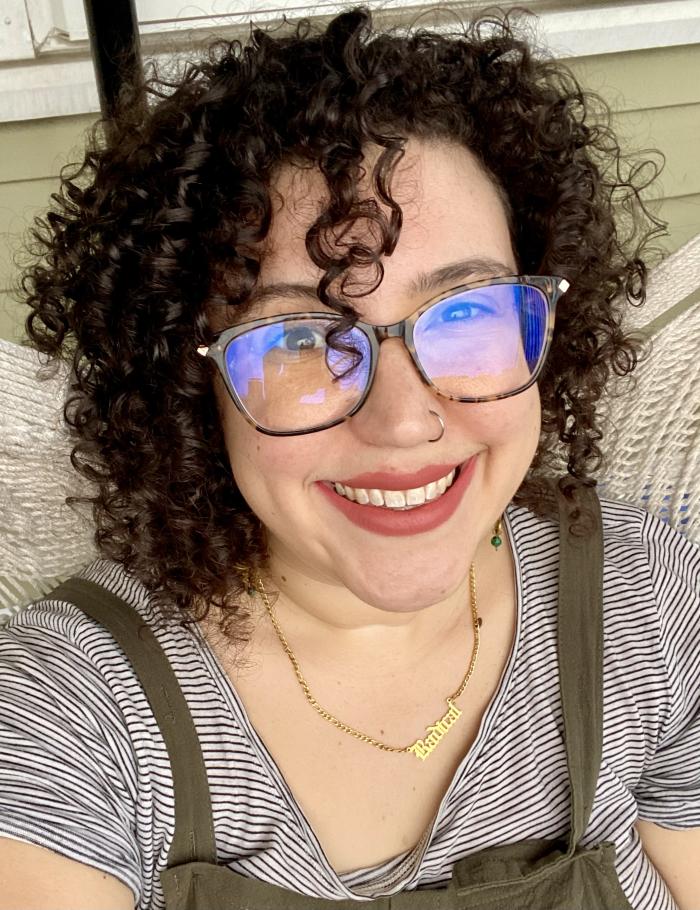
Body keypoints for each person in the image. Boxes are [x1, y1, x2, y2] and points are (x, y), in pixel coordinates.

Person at [1, 6, 698, 909]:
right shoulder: (67, 714)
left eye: (470, 312)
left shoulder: (648, 602)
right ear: (188, 381)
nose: (405, 423)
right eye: (301, 339)